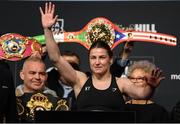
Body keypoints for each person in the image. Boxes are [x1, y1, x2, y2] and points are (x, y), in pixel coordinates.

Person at [40, 2, 163, 111]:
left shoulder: (121, 83)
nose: (97, 62)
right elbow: (55, 58)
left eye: (102, 57)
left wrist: (151, 86)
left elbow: (142, 94)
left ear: (110, 60)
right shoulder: (80, 80)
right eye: (93, 58)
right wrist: (47, 29)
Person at [15, 55, 69, 122]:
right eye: (32, 73)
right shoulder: (12, 100)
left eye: (41, 74)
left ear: (46, 76)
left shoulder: (56, 102)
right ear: (22, 75)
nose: (37, 77)